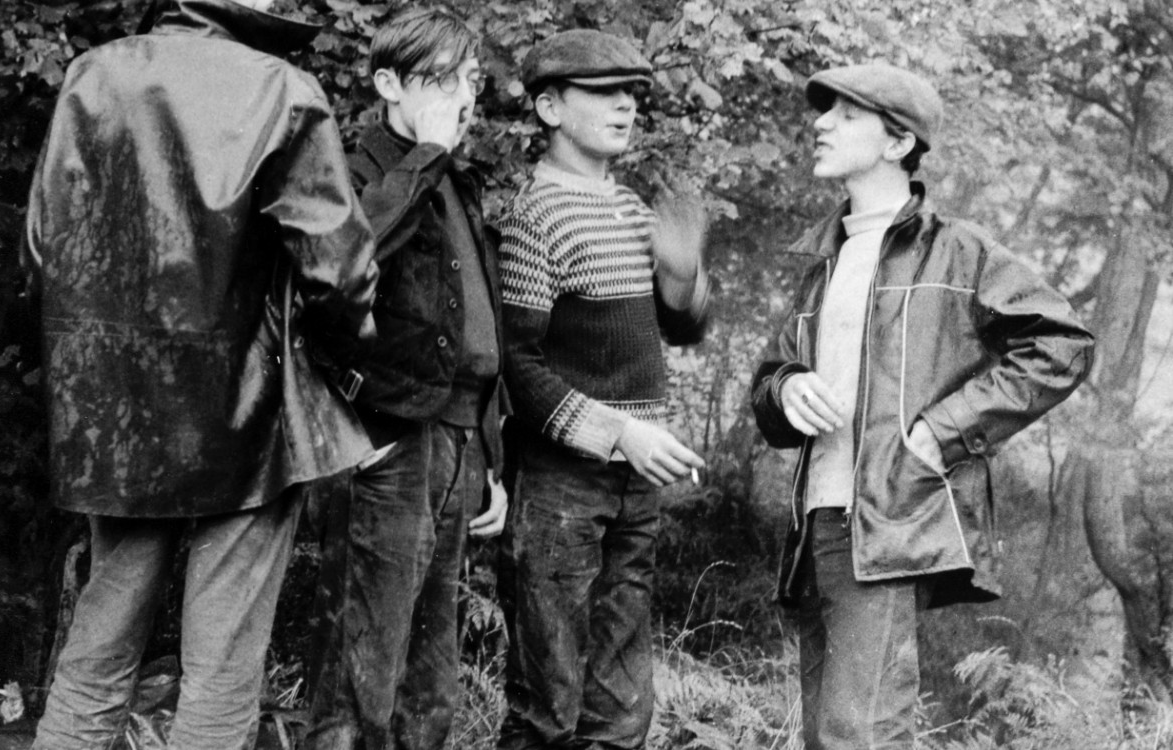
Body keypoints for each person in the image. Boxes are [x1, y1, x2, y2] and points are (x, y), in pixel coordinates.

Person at [23, 0, 380, 747]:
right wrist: (340, 358)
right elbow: (340, 274)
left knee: (97, 653)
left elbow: (43, 250)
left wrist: (96, 373)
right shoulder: (281, 89)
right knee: (221, 669)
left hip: (116, 419)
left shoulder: (91, 76)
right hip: (249, 416)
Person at [751, 63, 1095, 749]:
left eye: (846, 114)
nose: (822, 124)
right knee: (826, 735)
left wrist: (943, 432)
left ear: (898, 142)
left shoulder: (958, 251)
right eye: (826, 112)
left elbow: (1063, 343)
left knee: (861, 734)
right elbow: (767, 389)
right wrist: (785, 387)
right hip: (818, 525)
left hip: (894, 519)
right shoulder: (823, 261)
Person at [496, 28, 712, 750]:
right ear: (550, 108)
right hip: (560, 487)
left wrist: (681, 279)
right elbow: (518, 365)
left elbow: (675, 329)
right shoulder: (536, 216)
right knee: (547, 707)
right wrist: (619, 432)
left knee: (622, 710)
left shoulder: (633, 211)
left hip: (634, 485)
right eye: (604, 94)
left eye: (633, 96)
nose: (625, 108)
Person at [304, 7, 508, 750]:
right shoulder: (349, 171)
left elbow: (480, 335)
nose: (464, 98)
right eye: (443, 80)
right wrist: (423, 157)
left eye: (471, 80)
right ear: (389, 83)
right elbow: (340, 272)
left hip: (457, 439)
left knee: (430, 677)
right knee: (360, 671)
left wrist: (490, 461)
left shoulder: (458, 182)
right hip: (383, 441)